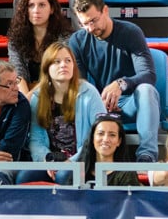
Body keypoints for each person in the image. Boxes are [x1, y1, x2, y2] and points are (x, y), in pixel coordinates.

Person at [69, 0, 159, 162]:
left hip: (130, 102)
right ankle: (85, 156)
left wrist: (121, 84)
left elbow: (148, 74)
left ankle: (146, 155)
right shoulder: (78, 41)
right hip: (99, 104)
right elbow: (80, 83)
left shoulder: (130, 32)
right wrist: (97, 100)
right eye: (84, 24)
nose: (90, 28)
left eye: (93, 21)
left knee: (147, 90)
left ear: (105, 10)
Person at [18, 41, 105, 183]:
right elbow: (36, 140)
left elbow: (97, 136)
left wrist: (71, 162)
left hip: (82, 161)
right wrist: (48, 160)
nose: (63, 65)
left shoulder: (89, 93)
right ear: (47, 68)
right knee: (24, 177)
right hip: (51, 162)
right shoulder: (38, 97)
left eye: (67, 61)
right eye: (57, 62)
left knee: (64, 176)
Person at [7, 0, 73, 96]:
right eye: (31, 6)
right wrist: (25, 98)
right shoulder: (15, 39)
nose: (36, 10)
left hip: (57, 92)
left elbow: (56, 74)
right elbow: (18, 72)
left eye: (42, 5)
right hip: (26, 91)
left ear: (52, 9)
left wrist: (31, 97)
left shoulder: (65, 38)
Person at [79, 113, 141, 186]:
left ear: (119, 141)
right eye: (100, 133)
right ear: (92, 138)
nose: (105, 139)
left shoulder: (127, 174)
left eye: (112, 135)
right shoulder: (80, 172)